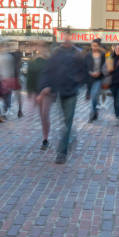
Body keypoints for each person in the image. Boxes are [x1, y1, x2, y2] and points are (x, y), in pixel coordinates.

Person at [38, 36, 87, 165]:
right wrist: (46, 86)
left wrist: (77, 82)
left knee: (67, 122)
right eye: (64, 40)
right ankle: (70, 137)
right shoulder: (56, 55)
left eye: (68, 39)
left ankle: (61, 152)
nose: (66, 41)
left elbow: (84, 72)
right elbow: (47, 72)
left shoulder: (77, 55)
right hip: (60, 92)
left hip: (71, 92)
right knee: (65, 122)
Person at [26, 42, 52, 150]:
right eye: (37, 46)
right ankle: (45, 137)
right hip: (37, 91)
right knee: (42, 116)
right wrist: (30, 92)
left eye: (42, 46)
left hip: (47, 91)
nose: (39, 48)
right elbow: (30, 78)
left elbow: (54, 75)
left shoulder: (50, 61)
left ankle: (45, 138)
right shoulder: (32, 62)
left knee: (45, 114)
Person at [85, 38, 106, 123]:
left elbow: (105, 67)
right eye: (93, 45)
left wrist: (99, 72)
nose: (94, 47)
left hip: (98, 78)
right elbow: (84, 67)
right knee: (94, 96)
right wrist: (90, 72)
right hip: (90, 79)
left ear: (99, 46)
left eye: (96, 46)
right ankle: (96, 111)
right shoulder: (88, 55)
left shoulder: (102, 55)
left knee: (94, 95)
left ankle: (92, 113)